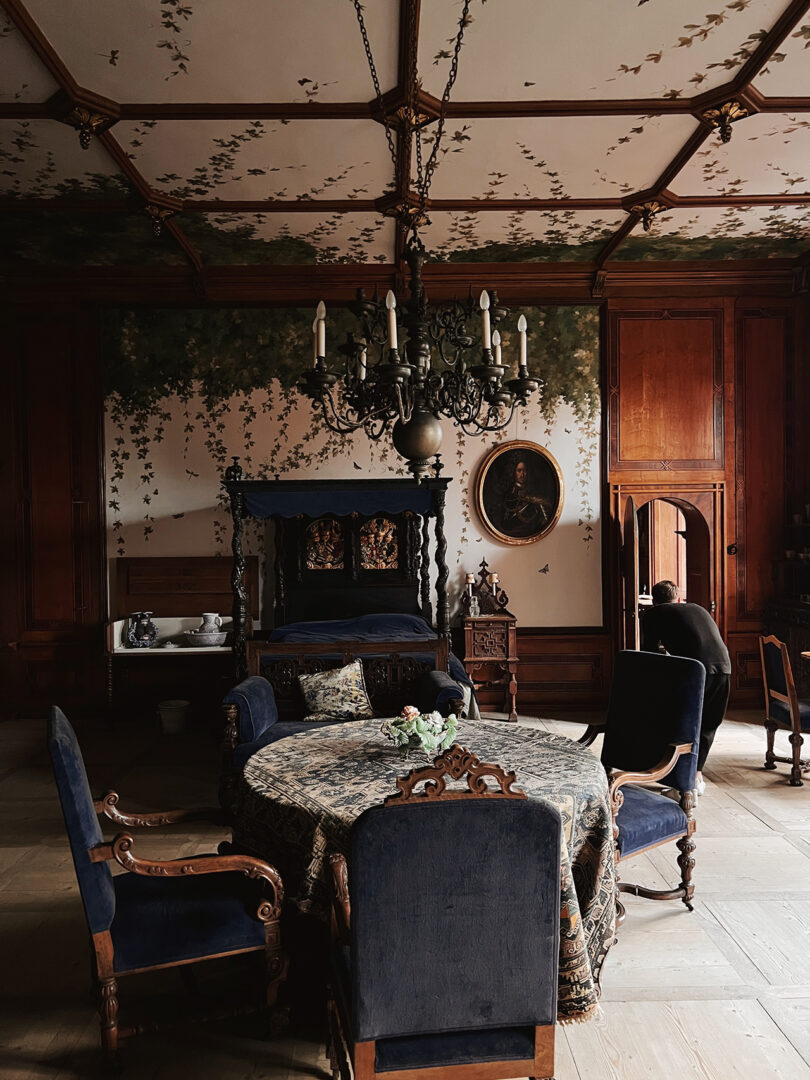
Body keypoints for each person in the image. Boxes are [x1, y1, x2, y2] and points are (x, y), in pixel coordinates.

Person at [640, 580, 731, 795]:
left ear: (654, 600)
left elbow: (649, 654)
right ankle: (694, 780)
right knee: (707, 726)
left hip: (696, 671)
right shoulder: (697, 608)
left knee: (683, 725)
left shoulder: (653, 614)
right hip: (724, 667)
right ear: (678, 598)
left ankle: (682, 784)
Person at [501, 458, 551, 535]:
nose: (522, 474)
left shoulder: (534, 492)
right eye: (519, 470)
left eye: (525, 471)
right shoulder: (508, 494)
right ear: (514, 472)